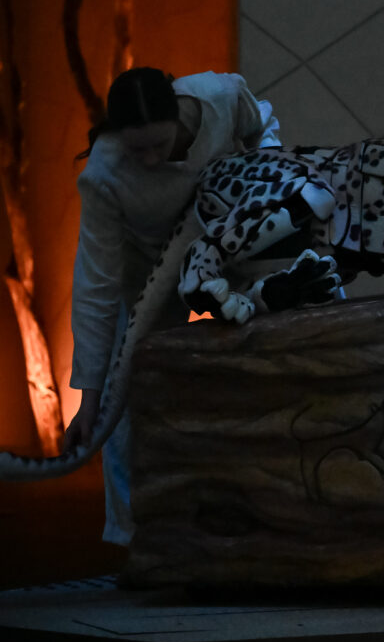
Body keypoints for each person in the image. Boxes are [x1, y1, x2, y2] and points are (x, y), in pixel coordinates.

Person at [61, 67, 281, 545]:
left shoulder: (220, 96)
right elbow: (96, 286)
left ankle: (265, 515)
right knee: (126, 399)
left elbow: (262, 127)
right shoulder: (104, 173)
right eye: (136, 149)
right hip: (145, 278)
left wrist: (261, 183)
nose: (150, 159)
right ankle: (135, 538)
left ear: (178, 116)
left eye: (159, 144)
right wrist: (89, 402)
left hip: (225, 247)